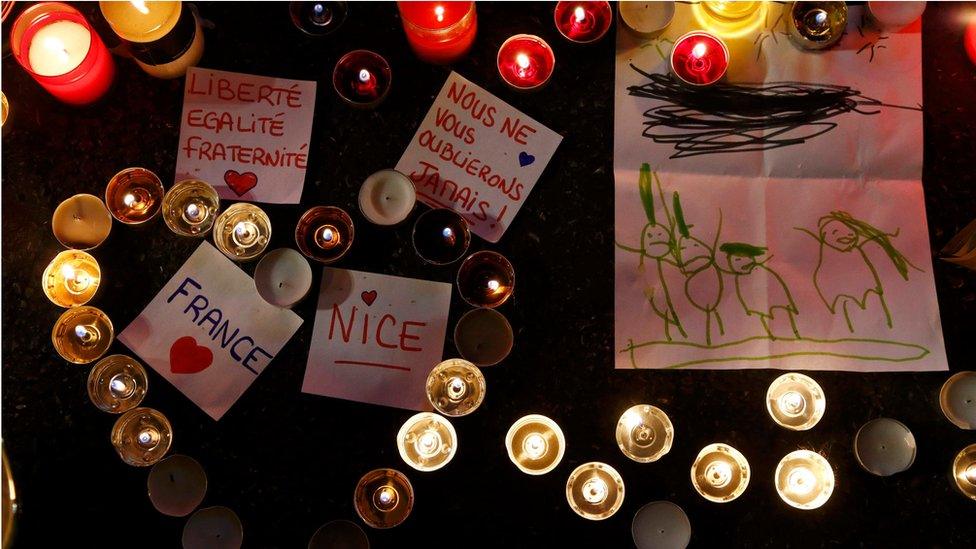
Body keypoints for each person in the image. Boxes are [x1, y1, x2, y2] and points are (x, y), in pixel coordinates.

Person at [718, 242, 800, 339]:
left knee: (784, 314)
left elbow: (781, 289)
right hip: (760, 305)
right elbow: (743, 295)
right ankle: (773, 335)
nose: (737, 261)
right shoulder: (740, 277)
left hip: (779, 302)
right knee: (763, 316)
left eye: (740, 258)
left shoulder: (761, 271)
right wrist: (747, 308)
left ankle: (796, 335)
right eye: (736, 258)